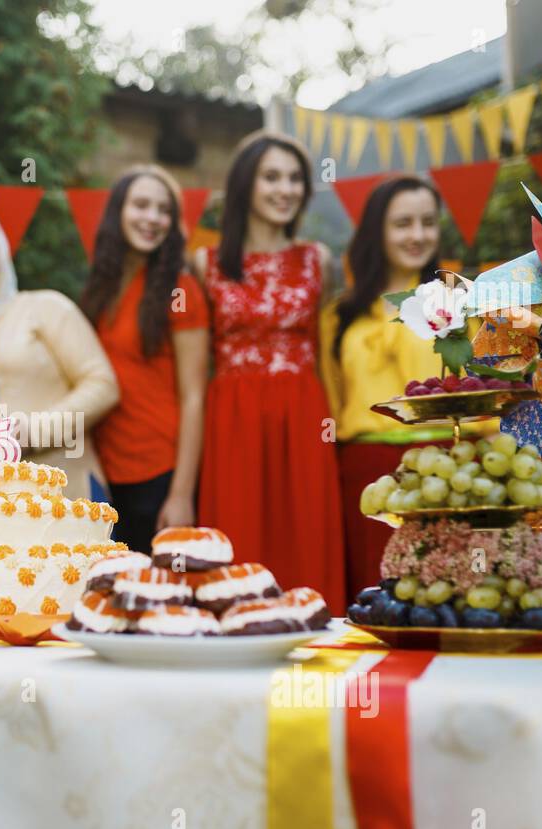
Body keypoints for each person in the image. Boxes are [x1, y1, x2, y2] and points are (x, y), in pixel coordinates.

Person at [193, 131, 345, 611]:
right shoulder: (205, 264)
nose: (286, 188)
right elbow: (193, 374)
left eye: (296, 178)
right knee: (237, 547)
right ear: (245, 186)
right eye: (272, 177)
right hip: (232, 420)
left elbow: (331, 354)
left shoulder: (319, 260)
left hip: (304, 416)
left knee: (307, 536)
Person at [319, 176, 481, 598]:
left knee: (451, 594)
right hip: (366, 474)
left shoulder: (464, 305)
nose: (417, 235)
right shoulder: (339, 316)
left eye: (427, 222)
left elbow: (483, 391)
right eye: (403, 223)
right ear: (377, 231)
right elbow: (330, 404)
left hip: (450, 469)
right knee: (376, 594)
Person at [0, 204, 118, 499]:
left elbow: (103, 384)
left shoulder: (45, 307)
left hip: (64, 492)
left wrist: (32, 431)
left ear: (3, 256)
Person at [79, 165, 209, 553]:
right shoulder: (100, 287)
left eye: (163, 210)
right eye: (141, 205)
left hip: (159, 472)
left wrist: (181, 494)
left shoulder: (180, 290)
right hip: (104, 471)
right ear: (118, 211)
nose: (152, 218)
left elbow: (194, 396)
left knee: (162, 599)